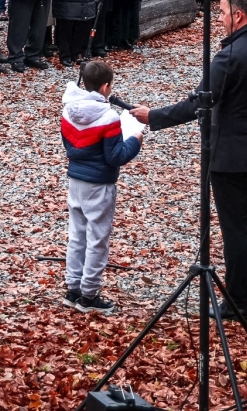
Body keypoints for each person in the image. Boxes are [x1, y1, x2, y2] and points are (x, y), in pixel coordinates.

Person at [131, 0, 247, 321]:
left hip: (230, 156)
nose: (218, 19)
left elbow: (200, 102)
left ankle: (237, 301)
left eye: (221, 12)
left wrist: (154, 116)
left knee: (235, 229)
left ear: (238, 16)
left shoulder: (229, 56)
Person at [62, 60, 144, 314]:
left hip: (76, 179)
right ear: (106, 86)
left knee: (77, 235)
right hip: (99, 183)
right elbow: (115, 156)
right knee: (97, 239)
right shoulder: (108, 117)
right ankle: (89, 294)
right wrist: (135, 139)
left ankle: (73, 287)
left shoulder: (68, 111)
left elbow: (71, 146)